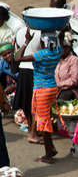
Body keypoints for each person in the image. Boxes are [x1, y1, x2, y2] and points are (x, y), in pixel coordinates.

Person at [14, 28, 64, 163]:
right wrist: (62, 31)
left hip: (42, 90)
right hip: (50, 88)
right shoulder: (57, 52)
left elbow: (18, 58)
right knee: (44, 118)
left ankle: (48, 155)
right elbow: (61, 40)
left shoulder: (41, 54)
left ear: (43, 42)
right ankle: (51, 148)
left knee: (43, 122)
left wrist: (26, 42)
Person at [13, 12, 42, 144]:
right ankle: (33, 132)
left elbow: (17, 52)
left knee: (27, 104)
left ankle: (32, 130)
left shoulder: (20, 32)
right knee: (35, 105)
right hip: (35, 70)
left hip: (23, 71)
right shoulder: (40, 33)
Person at [54, 32, 78, 101]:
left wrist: (59, 84)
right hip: (58, 91)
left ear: (68, 48)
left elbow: (74, 80)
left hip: (73, 92)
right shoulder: (57, 61)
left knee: (64, 96)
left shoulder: (74, 60)